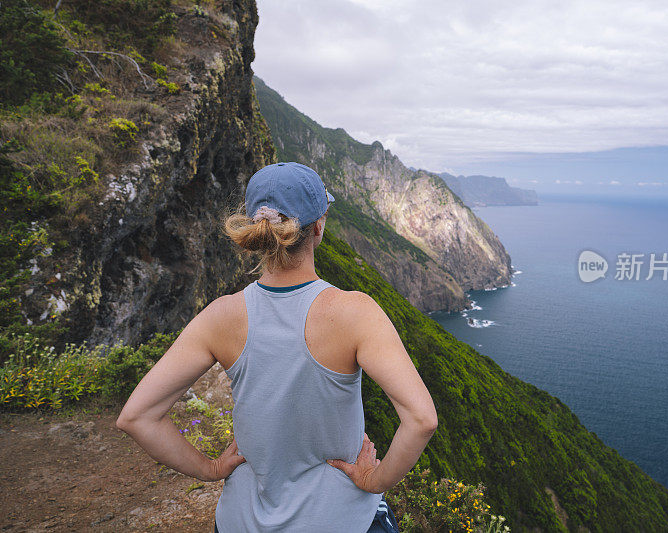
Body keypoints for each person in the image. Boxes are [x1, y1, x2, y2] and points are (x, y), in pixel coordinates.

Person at [115, 162, 438, 532]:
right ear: (318, 227)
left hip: (241, 521)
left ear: (256, 230)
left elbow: (137, 417)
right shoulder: (354, 313)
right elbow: (421, 419)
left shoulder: (221, 315)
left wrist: (210, 469)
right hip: (338, 520)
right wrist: (374, 481)